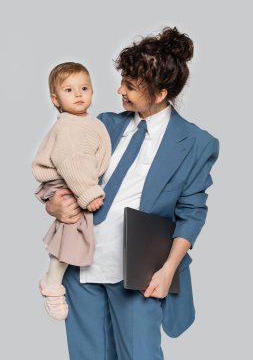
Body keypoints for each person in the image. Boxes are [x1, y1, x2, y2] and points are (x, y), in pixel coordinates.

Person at [45, 27, 219, 359]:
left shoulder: (196, 144)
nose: (119, 90)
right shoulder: (103, 124)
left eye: (130, 86)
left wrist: (168, 270)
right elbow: (64, 171)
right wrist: (54, 204)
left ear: (159, 93)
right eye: (122, 80)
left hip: (140, 272)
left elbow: (192, 213)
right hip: (82, 265)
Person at [32, 62, 111, 320]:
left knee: (74, 227)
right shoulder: (68, 127)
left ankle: (54, 279)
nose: (78, 94)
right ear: (55, 99)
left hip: (75, 180)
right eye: (69, 90)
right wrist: (88, 193)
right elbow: (72, 162)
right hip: (67, 182)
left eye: (84, 88)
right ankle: (52, 283)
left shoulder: (87, 122)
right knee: (73, 224)